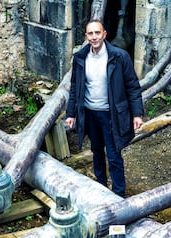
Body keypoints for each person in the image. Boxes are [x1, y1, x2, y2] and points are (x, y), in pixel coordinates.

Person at [65, 19, 144, 198]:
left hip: (111, 114)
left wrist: (137, 114)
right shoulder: (80, 58)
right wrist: (71, 113)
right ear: (86, 36)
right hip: (90, 114)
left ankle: (118, 193)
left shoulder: (119, 56)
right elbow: (75, 88)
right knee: (97, 151)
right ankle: (100, 187)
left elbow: (132, 85)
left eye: (97, 33)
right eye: (90, 34)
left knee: (114, 154)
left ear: (104, 34)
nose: (94, 37)